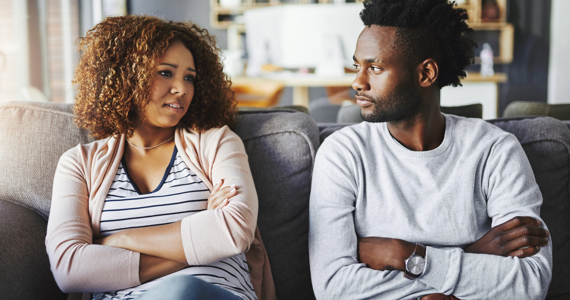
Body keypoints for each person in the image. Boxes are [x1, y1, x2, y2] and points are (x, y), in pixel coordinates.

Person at [309, 0, 552, 299]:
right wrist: (470, 255)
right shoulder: (342, 154)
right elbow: (333, 286)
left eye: (374, 67)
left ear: (425, 74)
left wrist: (406, 255)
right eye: (357, 66)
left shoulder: (494, 150)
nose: (357, 82)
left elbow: (530, 282)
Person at [45, 15, 275, 300]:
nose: (181, 89)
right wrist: (202, 231)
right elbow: (70, 269)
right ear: (127, 75)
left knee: (182, 290)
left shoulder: (217, 142)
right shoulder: (78, 163)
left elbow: (234, 232)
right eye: (166, 73)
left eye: (189, 77)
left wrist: (120, 240)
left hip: (212, 294)